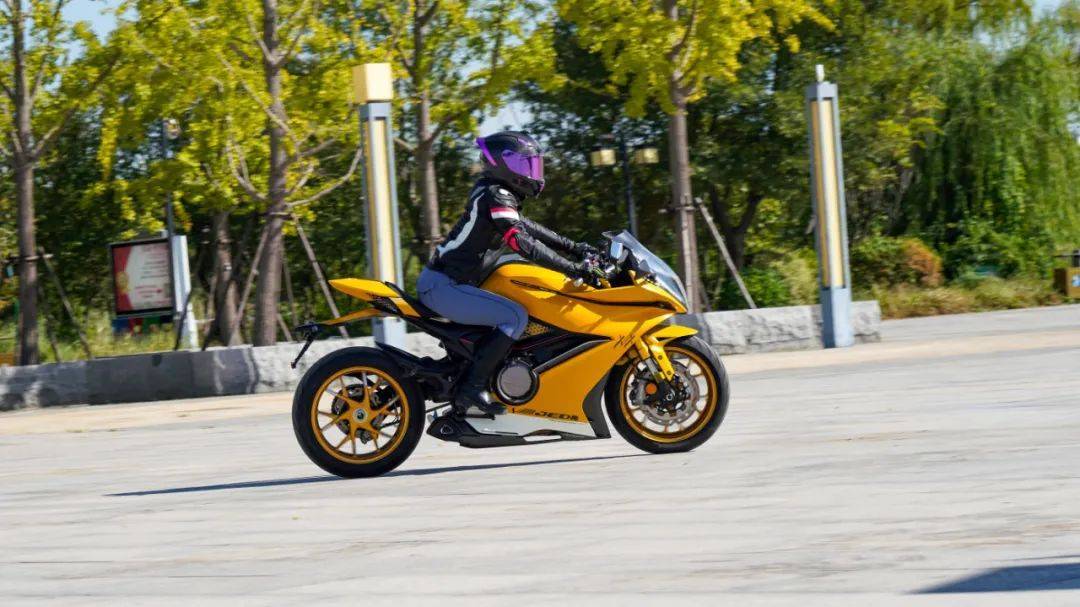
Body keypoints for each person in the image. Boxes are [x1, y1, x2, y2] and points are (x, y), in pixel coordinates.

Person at [417, 131, 598, 415]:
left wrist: (577, 248)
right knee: (514, 317)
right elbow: (521, 241)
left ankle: (489, 379)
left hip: (451, 284)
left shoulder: (497, 195)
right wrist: (573, 269)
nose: (533, 172)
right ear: (505, 164)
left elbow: (529, 228)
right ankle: (471, 389)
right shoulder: (495, 194)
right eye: (527, 165)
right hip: (444, 286)